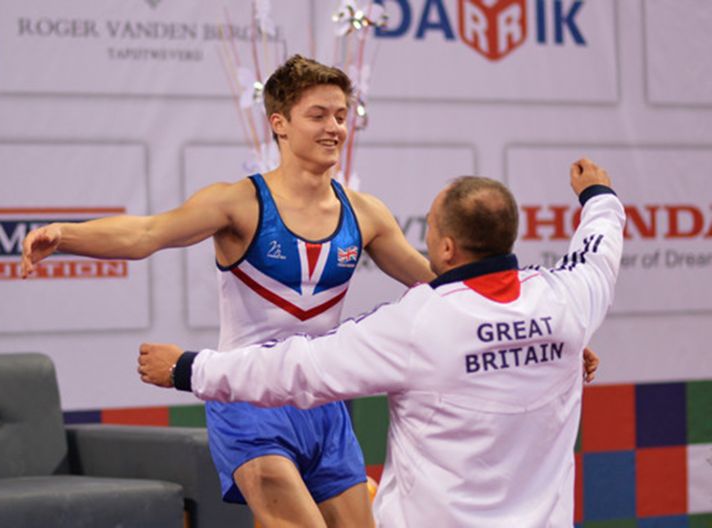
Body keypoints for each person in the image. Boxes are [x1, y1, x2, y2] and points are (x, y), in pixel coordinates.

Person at [21, 55, 437, 528]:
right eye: (318, 115)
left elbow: (436, 286)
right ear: (279, 124)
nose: (334, 128)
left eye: (341, 116)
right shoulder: (238, 203)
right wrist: (66, 235)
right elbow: (147, 234)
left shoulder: (366, 214)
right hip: (247, 402)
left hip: (324, 406)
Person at [137, 158, 623, 527]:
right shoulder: (566, 302)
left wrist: (189, 369)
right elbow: (600, 244)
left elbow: (298, 368)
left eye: (429, 228)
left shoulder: (417, 323)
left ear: (447, 247)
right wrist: (597, 193)